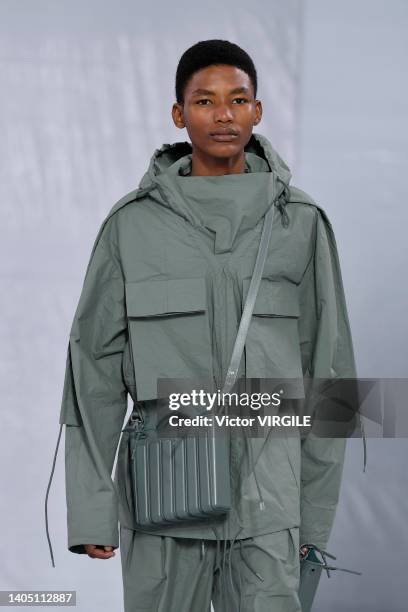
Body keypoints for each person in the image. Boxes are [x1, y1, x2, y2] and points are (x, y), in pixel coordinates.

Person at [47, 39, 363, 611]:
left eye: (238, 100)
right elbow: (91, 372)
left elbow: (330, 377)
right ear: (178, 114)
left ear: (257, 111)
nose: (223, 115)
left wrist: (313, 518)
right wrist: (92, 508)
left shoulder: (302, 224)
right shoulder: (131, 227)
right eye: (205, 101)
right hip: (165, 506)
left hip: (269, 510)